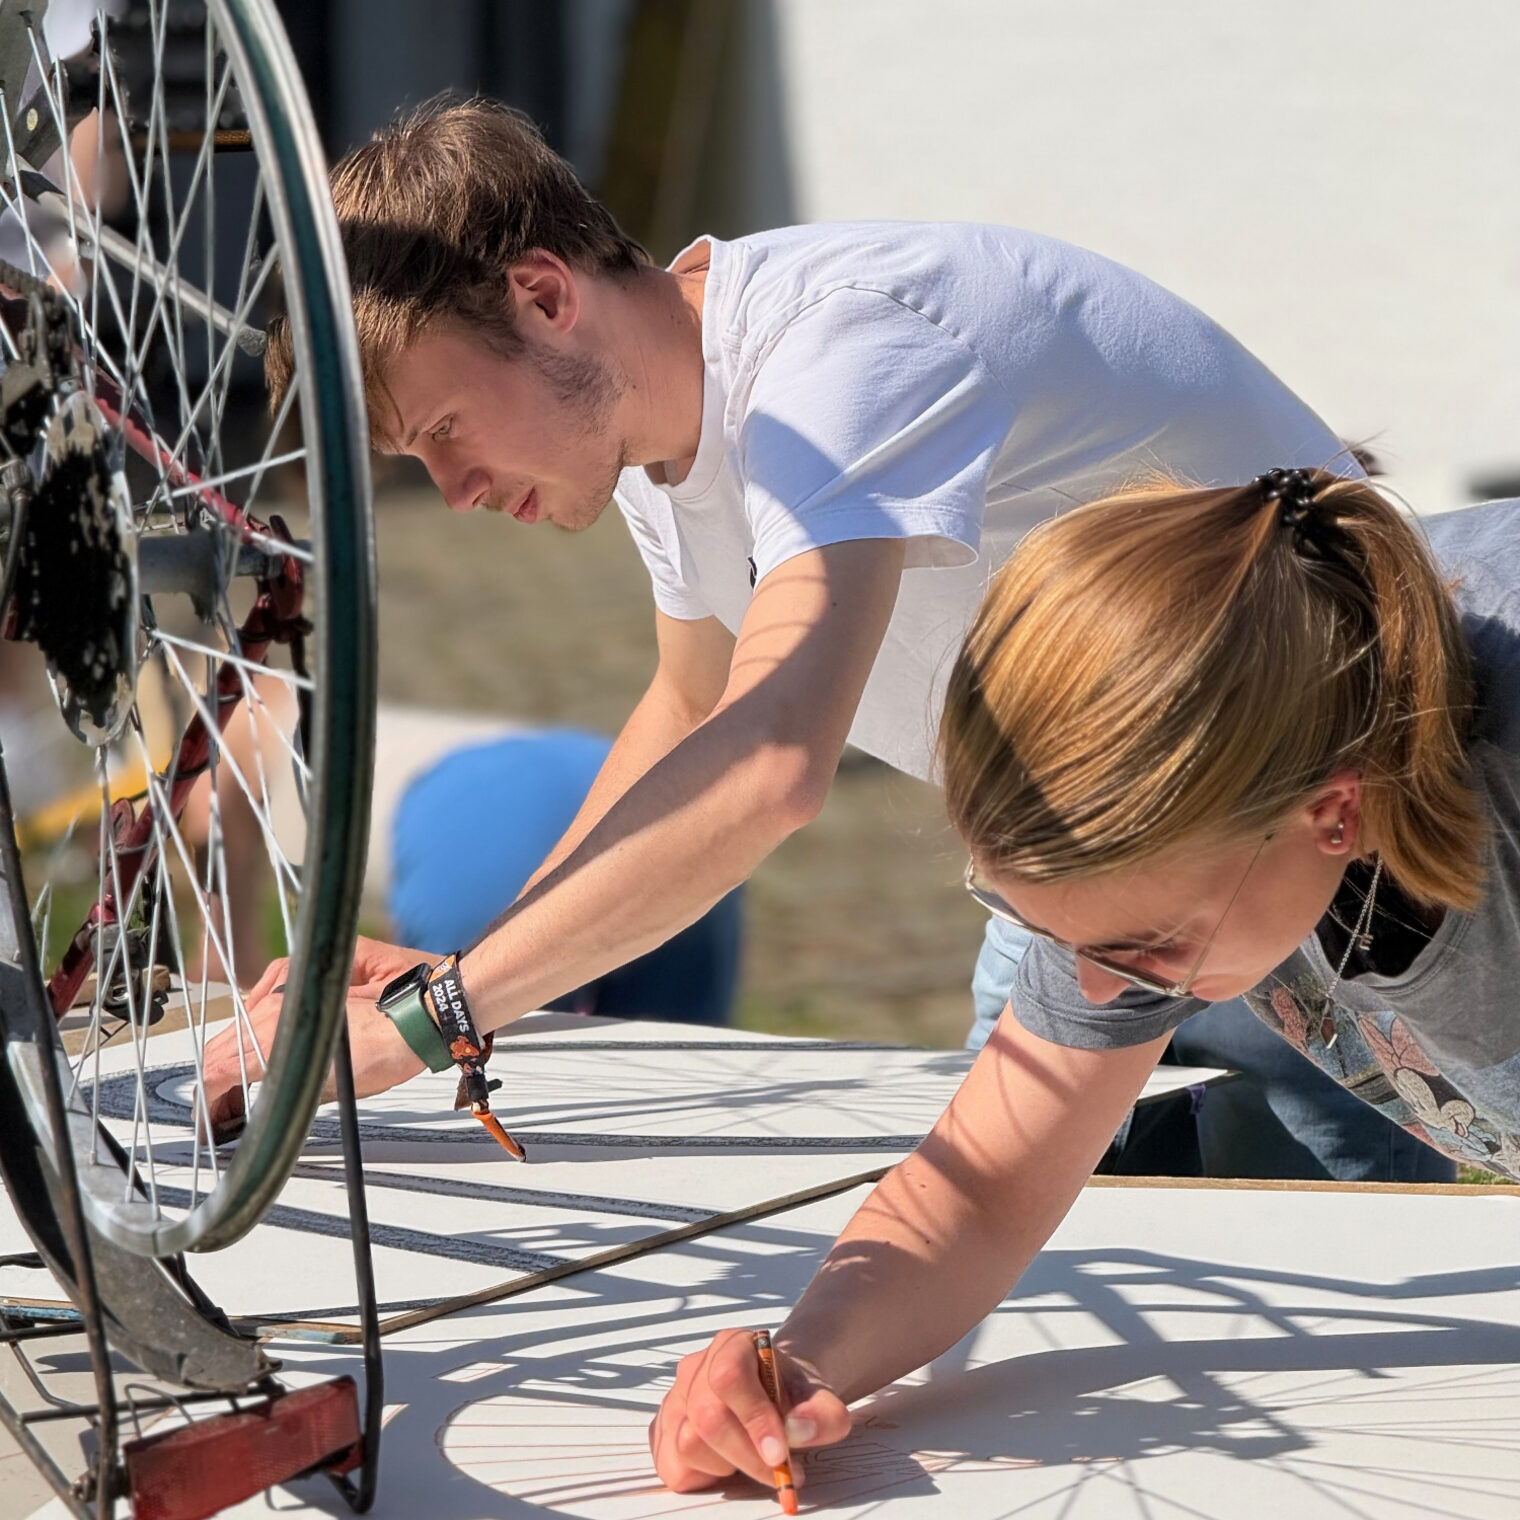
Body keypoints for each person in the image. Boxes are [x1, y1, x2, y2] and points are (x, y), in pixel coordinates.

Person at [201, 97, 1401, 1181]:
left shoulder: (835, 358)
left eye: (449, 426)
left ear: (545, 295)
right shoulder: (648, 432)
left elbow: (770, 763)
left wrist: (437, 1019)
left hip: (1315, 831)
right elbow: (687, 712)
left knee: (1376, 1320)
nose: (453, 489)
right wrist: (470, 975)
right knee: (1015, 1265)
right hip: (1088, 879)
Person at [646, 475, 1520, 1495]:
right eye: (1054, 936)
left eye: (1143, 948)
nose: (1100, 996)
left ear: (1334, 814)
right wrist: (790, 1367)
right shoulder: (1206, 796)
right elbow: (982, 1189)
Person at [389, 726, 742, 1025]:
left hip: (461, 838)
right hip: (664, 810)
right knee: (672, 1041)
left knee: (466, 1034)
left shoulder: (442, 797)